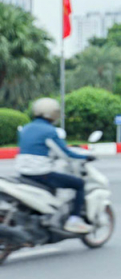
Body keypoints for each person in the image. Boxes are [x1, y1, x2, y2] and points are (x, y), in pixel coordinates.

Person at [15, 98, 92, 234]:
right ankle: (74, 220)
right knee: (79, 183)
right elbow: (66, 154)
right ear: (53, 113)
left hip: (23, 172)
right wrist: (85, 157)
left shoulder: (25, 128)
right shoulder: (50, 131)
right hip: (41, 173)